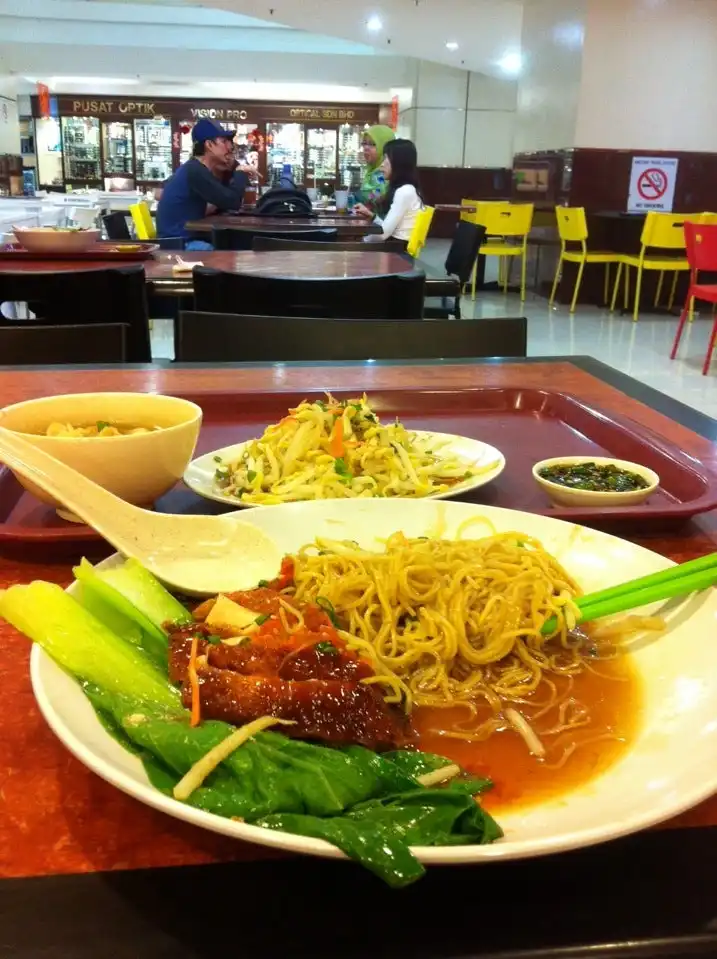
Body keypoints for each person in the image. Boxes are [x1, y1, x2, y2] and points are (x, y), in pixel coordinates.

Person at [156, 119, 256, 250]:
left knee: (231, 247)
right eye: (224, 141)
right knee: (230, 252)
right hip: (178, 245)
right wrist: (240, 172)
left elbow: (225, 199)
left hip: (184, 239)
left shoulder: (196, 168)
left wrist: (235, 168)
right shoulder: (195, 171)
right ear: (209, 144)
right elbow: (233, 201)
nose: (230, 146)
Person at [354, 139, 424, 247]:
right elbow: (388, 229)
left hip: (396, 254)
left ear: (398, 162)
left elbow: (383, 234)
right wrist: (372, 216)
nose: (382, 165)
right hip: (395, 248)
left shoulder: (404, 192)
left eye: (386, 158)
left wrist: (361, 241)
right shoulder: (408, 189)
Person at [356, 124, 395, 212]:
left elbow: (380, 192)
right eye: (364, 143)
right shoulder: (371, 171)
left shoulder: (384, 173)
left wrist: (369, 201)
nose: (366, 148)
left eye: (372, 144)